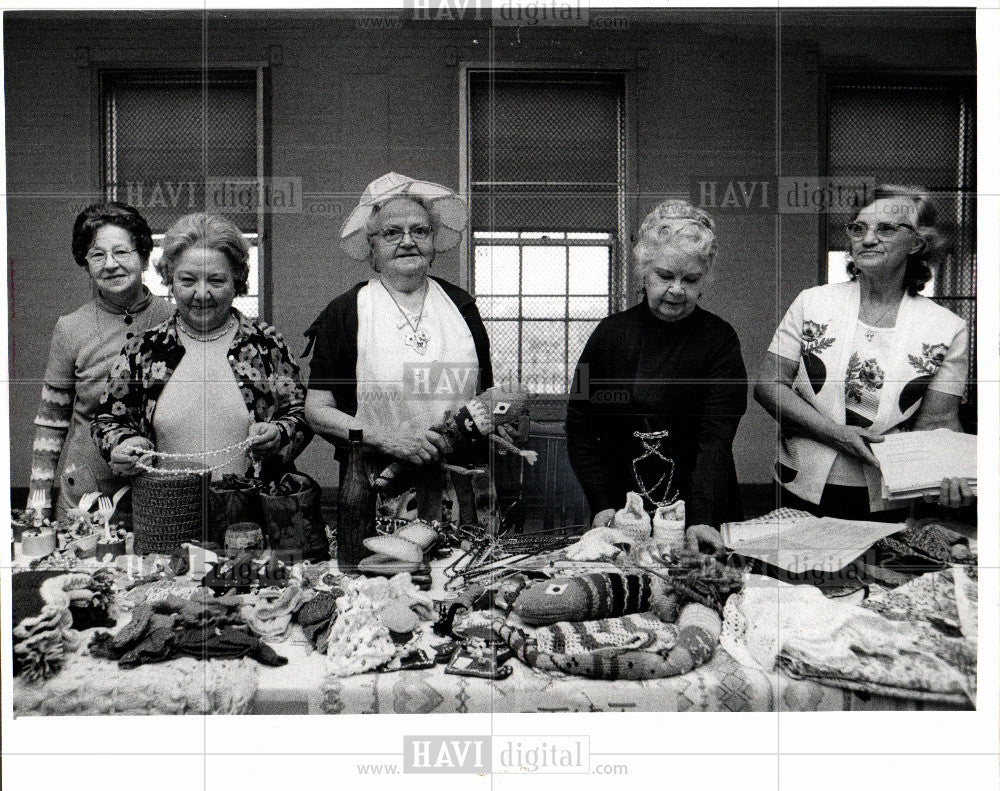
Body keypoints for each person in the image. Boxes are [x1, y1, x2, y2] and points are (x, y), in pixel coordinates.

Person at [754, 184, 973, 519]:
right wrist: (836, 435)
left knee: (880, 572)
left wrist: (954, 473)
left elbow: (938, 420)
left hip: (890, 494)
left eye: (885, 228)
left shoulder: (947, 328)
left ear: (917, 242)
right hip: (798, 484)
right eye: (859, 228)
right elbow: (768, 385)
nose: (868, 239)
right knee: (792, 570)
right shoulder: (812, 302)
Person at [303, 172, 494, 521]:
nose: (407, 241)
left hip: (461, 484)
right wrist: (388, 439)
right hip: (375, 486)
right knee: (378, 574)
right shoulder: (346, 312)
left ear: (433, 242)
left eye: (419, 231)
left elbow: (486, 398)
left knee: (461, 572)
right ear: (372, 247)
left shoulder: (462, 306)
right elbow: (317, 411)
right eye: (392, 233)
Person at [566, 199, 747, 552]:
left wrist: (702, 518)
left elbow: (716, 439)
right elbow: (580, 424)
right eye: (665, 276)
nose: (677, 289)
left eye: (690, 279)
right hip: (623, 508)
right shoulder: (607, 335)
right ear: (644, 272)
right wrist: (601, 503)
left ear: (705, 279)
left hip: (703, 503)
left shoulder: (720, 339)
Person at [92, 212, 310, 481]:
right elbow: (108, 421)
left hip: (250, 515)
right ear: (170, 280)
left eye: (216, 280)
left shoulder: (266, 345)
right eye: (188, 280)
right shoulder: (142, 351)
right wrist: (123, 444)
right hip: (168, 512)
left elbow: (301, 413)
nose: (202, 293)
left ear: (237, 281)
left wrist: (280, 434)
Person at [28, 203, 174, 521]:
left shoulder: (173, 320)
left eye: (121, 252)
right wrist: (37, 504)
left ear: (144, 256)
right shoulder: (70, 327)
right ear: (86, 265)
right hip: (86, 495)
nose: (110, 265)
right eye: (97, 255)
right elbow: (51, 424)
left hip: (163, 493)